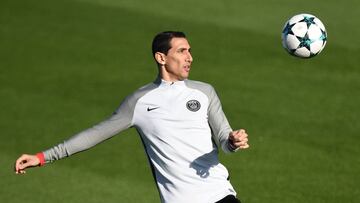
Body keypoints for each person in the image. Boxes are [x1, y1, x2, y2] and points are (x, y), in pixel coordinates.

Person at [14, 31, 249, 203]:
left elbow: (224, 141)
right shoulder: (139, 102)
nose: (190, 57)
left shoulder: (204, 91)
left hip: (220, 195)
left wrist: (232, 141)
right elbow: (94, 135)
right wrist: (43, 157)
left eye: (190, 51)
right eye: (181, 51)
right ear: (161, 58)